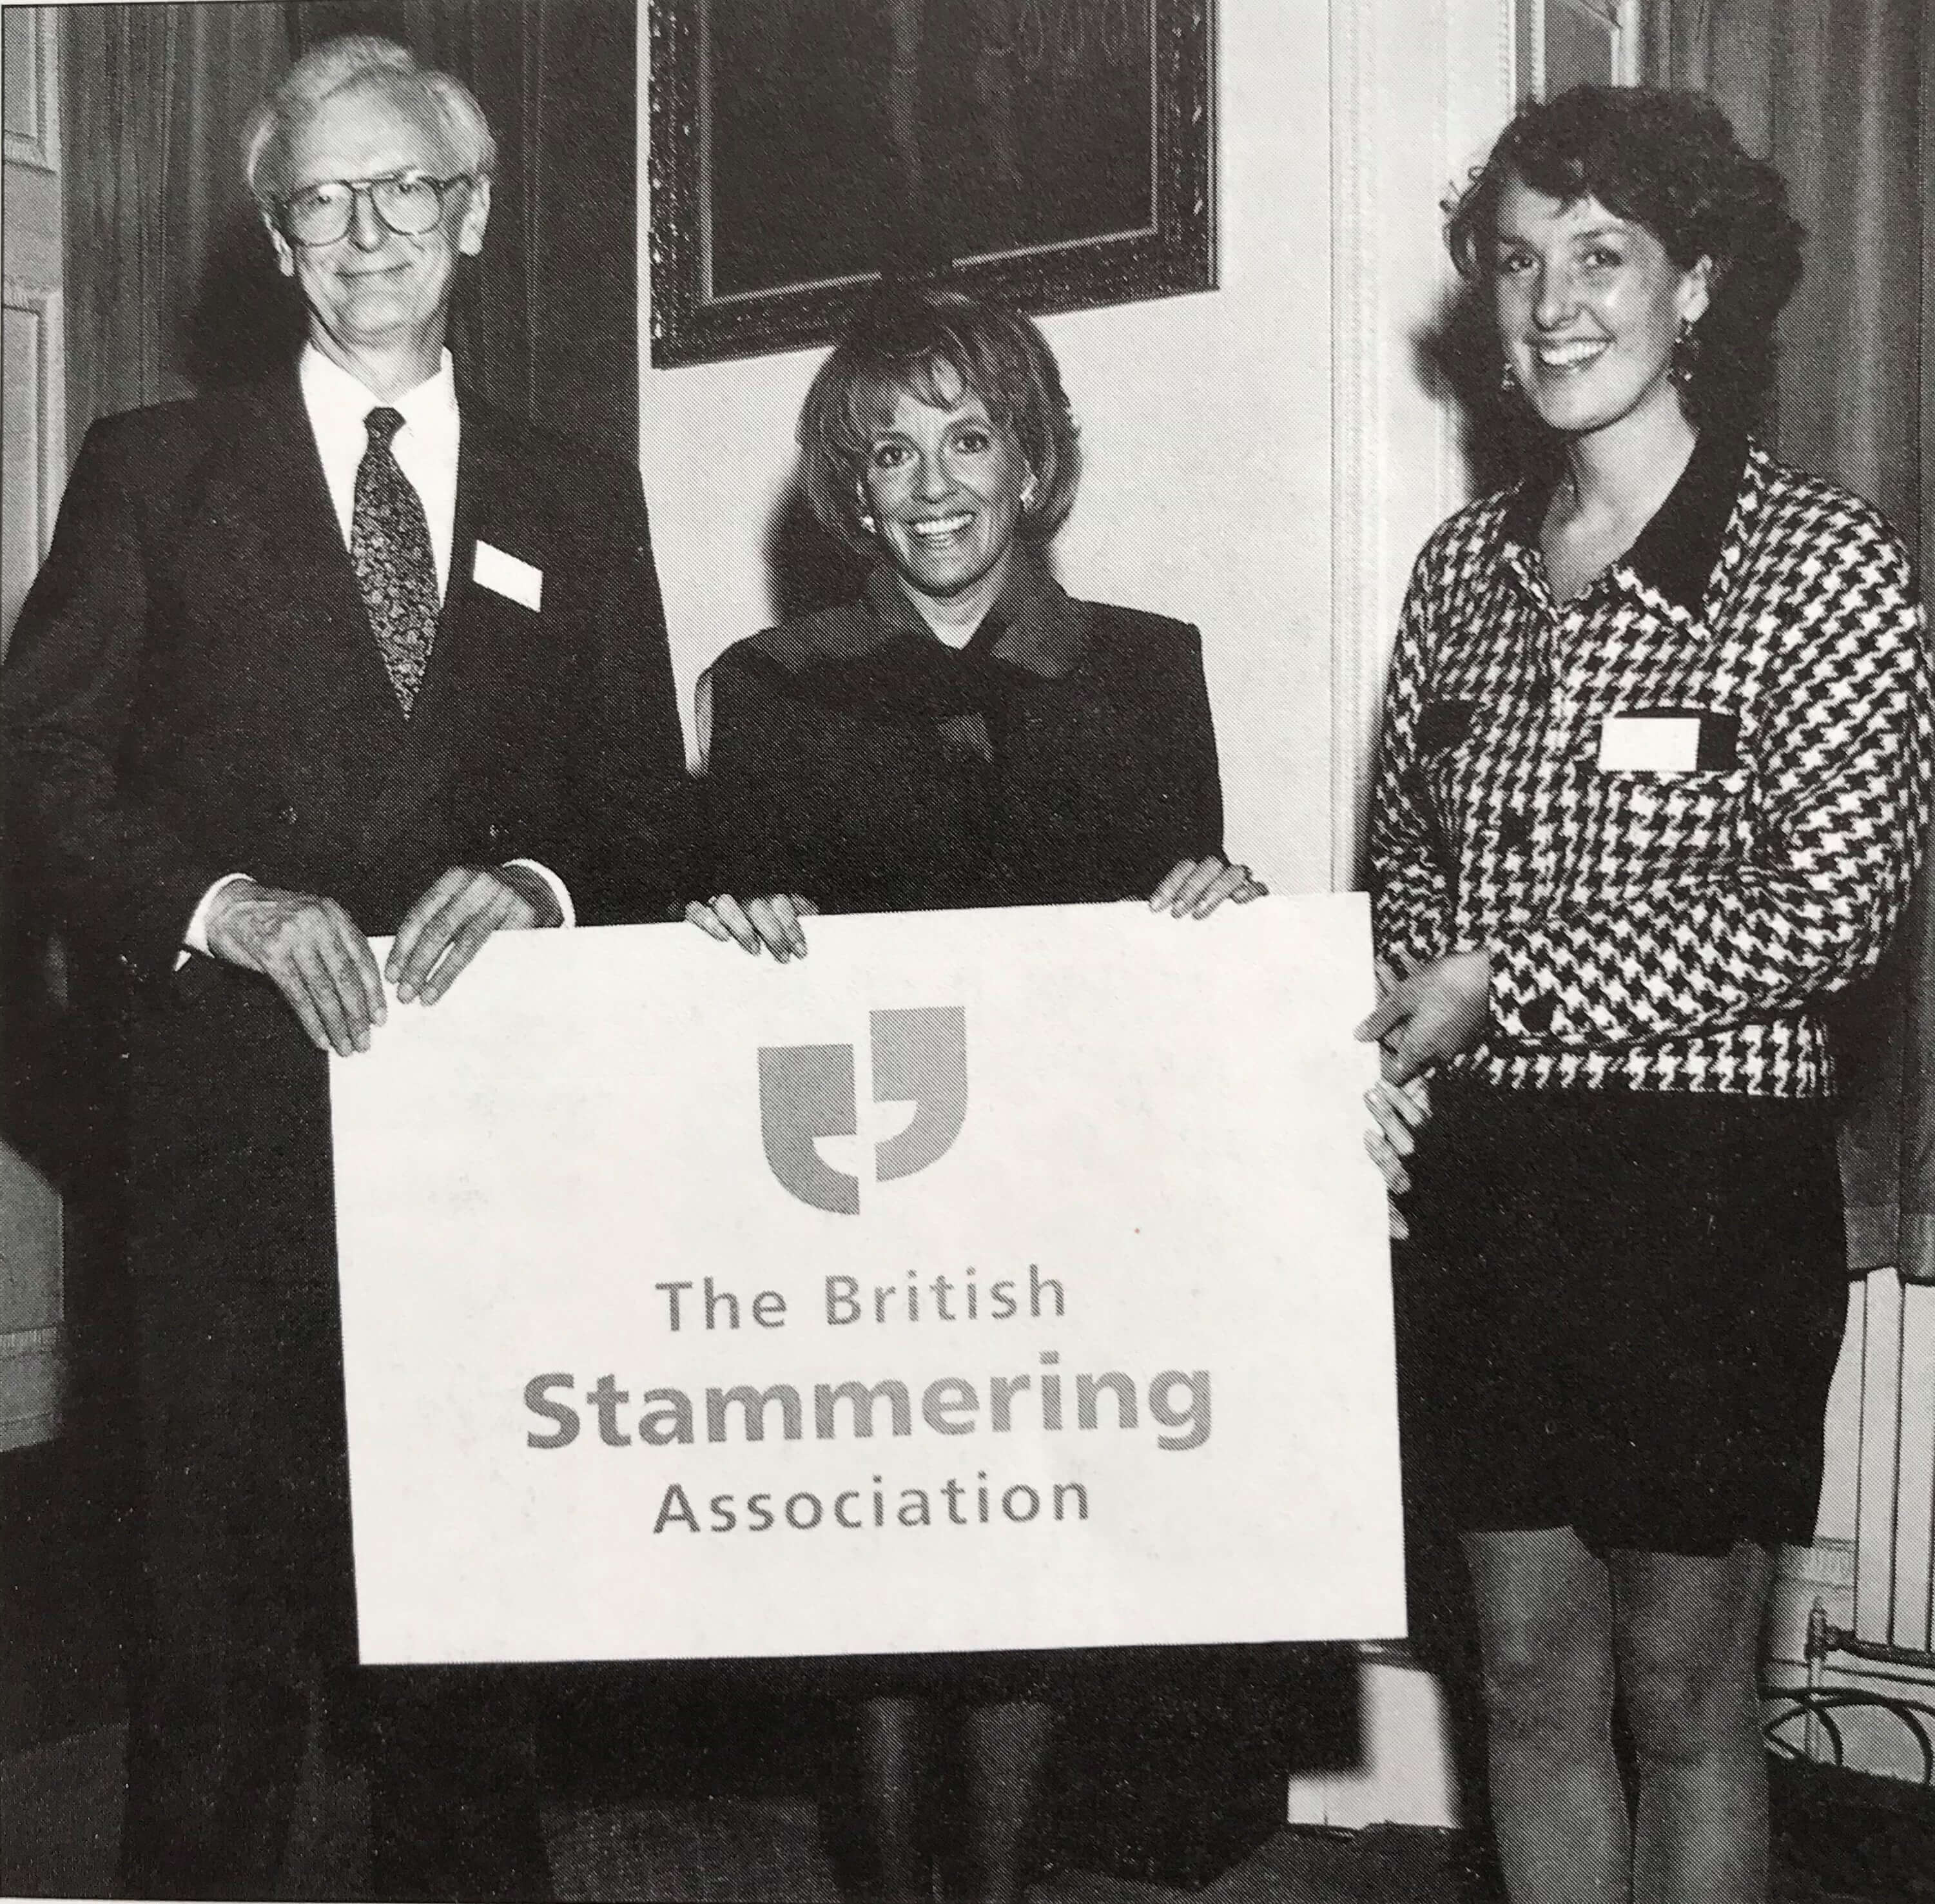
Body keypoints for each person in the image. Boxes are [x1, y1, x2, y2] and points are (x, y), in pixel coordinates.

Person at [1, 35, 687, 1900]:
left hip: (488, 1147)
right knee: (214, 1650)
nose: (367, 228)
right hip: (220, 1138)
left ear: (469, 217)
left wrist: (540, 883)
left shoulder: (579, 489)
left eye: (405, 190)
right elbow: (34, 764)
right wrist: (222, 899)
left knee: (469, 1643)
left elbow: (647, 811)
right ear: (276, 237)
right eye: (323, 196)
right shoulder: (155, 467)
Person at [1359, 86, 1930, 1904]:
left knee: (1687, 1693)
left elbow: (1833, 905)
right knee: (1525, 1674)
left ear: (1699, 284)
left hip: (1705, 1197)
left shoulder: (1822, 567)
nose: (1552, 303)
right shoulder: (1459, 578)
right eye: (1517, 262)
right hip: (1491, 1195)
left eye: (1599, 254)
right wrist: (1386, 1015)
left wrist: (1505, 976)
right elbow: (1407, 881)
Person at [687, 283, 1261, 1904]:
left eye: (968, 438)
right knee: (875, 1565)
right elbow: (723, 957)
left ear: (1032, 464)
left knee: (1028, 1562)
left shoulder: (1151, 670)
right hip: (854, 1196)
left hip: (1059, 1200)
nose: (932, 483)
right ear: (846, 489)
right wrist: (720, 929)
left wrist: (1219, 908)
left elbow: (1177, 937)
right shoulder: (768, 683)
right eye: (890, 451)